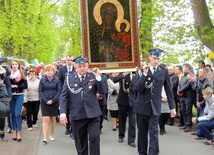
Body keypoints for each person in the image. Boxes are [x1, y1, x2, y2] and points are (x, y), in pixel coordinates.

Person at [60, 56, 106, 155]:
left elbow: (102, 91)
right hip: (77, 114)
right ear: (75, 67)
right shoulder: (69, 78)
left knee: (94, 137)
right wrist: (63, 113)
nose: (82, 68)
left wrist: (98, 77)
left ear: (87, 66)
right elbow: (64, 97)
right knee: (81, 142)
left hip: (93, 114)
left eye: (84, 66)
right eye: (80, 66)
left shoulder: (93, 76)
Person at [134, 48, 176, 155]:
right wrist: (144, 74)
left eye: (158, 58)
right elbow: (138, 88)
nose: (156, 61)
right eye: (154, 58)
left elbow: (168, 89)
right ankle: (142, 153)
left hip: (155, 106)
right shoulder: (141, 71)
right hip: (142, 106)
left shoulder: (163, 71)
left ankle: (153, 153)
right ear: (149, 57)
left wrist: (172, 107)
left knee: (154, 132)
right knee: (142, 133)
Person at [39, 64, 61, 144]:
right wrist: (45, 100)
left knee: (52, 119)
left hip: (54, 102)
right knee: (45, 119)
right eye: (48, 71)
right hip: (45, 101)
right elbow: (40, 91)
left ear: (54, 71)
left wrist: (53, 100)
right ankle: (45, 137)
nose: (50, 72)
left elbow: (59, 91)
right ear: (45, 71)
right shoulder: (42, 80)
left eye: (51, 71)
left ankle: (51, 135)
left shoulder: (57, 80)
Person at [113, 72, 136, 148]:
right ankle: (121, 136)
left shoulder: (136, 74)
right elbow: (115, 80)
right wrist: (123, 75)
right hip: (122, 100)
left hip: (133, 101)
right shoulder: (122, 73)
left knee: (132, 121)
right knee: (122, 119)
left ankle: (131, 140)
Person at [9, 60, 28, 142]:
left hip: (19, 95)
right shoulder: (8, 75)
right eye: (13, 64)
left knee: (17, 114)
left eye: (16, 64)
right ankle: (14, 131)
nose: (14, 66)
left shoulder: (22, 74)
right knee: (12, 114)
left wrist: (16, 86)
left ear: (18, 65)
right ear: (11, 66)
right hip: (11, 96)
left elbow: (25, 86)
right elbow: (6, 85)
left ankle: (19, 132)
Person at [58, 55, 75, 139]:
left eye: (71, 60)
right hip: (65, 92)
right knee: (66, 110)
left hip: (74, 92)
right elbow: (60, 80)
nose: (70, 61)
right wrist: (63, 90)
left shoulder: (75, 68)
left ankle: (73, 130)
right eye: (68, 60)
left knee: (72, 112)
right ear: (66, 61)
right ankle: (67, 127)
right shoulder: (62, 69)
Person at [177, 63, 194, 132]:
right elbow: (180, 84)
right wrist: (178, 91)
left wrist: (180, 91)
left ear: (188, 69)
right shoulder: (183, 76)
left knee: (188, 111)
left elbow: (188, 85)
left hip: (188, 96)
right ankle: (185, 124)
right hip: (182, 96)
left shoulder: (190, 75)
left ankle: (189, 125)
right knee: (183, 110)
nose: (183, 69)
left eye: (184, 68)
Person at [0, 66, 10, 139]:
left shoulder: (3, 72)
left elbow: (8, 85)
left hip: (2, 95)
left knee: (2, 116)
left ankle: (1, 129)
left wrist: (9, 95)